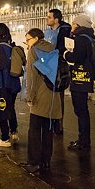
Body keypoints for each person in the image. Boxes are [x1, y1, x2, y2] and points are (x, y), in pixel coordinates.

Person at [20, 28, 61, 173]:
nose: (27, 44)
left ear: (36, 39)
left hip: (39, 96)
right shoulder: (52, 48)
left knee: (34, 131)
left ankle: (33, 161)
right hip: (52, 96)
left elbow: (32, 77)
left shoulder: (33, 51)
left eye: (28, 40)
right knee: (47, 131)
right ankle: (46, 161)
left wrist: (30, 97)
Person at [63, 14, 95, 151]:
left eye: (74, 24)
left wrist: (66, 54)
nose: (72, 26)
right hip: (85, 78)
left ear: (79, 25)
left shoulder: (81, 39)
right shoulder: (89, 38)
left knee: (81, 110)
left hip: (80, 79)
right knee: (82, 111)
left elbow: (77, 57)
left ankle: (83, 141)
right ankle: (84, 139)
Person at [44, 9, 71, 134]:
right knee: (49, 96)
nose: (47, 19)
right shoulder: (47, 32)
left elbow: (62, 48)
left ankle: (59, 124)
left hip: (59, 67)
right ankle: (50, 121)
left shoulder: (64, 31)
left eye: (49, 17)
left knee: (58, 96)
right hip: (47, 66)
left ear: (56, 19)